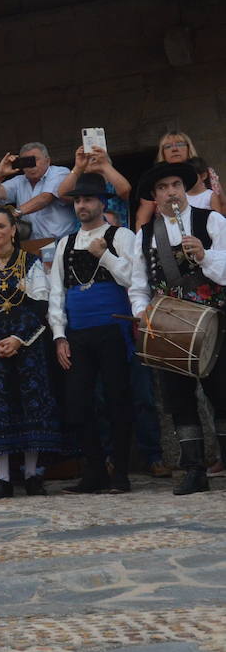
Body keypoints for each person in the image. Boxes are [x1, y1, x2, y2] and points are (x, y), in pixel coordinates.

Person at [128, 161, 226, 495]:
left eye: (175, 185)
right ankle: (194, 470)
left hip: (213, 322)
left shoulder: (210, 220)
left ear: (184, 189)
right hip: (168, 329)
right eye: (163, 188)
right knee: (179, 400)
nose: (171, 192)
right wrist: (141, 313)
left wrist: (205, 257)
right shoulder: (145, 236)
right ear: (154, 197)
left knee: (222, 394)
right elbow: (137, 284)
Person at [49, 173, 139, 494]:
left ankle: (121, 473)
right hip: (79, 334)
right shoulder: (66, 243)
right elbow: (56, 293)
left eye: (88, 199)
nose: (82, 205)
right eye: (77, 200)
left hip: (113, 329)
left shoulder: (121, 235)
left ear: (102, 202)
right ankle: (95, 469)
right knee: (78, 403)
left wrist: (105, 255)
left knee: (117, 400)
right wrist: (60, 335)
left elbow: (132, 278)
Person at [0, 207, 65, 499]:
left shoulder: (30, 263)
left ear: (13, 230)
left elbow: (38, 307)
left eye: (0, 226)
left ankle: (33, 475)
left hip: (28, 347)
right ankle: (4, 479)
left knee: (30, 407)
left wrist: (16, 338)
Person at [0, 142, 78, 246]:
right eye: (26, 161)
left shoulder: (59, 172)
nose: (31, 166)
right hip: (33, 245)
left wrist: (14, 213)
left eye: (35, 160)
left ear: (48, 160)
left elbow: (45, 198)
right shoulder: (19, 181)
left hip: (63, 242)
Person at [134, 132, 226, 228]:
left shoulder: (207, 172)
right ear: (162, 152)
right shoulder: (155, 178)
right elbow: (143, 217)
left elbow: (223, 204)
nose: (174, 149)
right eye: (168, 146)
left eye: (180, 144)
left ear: (188, 148)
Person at [57, 145, 133, 226]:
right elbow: (63, 194)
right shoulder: (81, 186)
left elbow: (125, 190)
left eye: (97, 157)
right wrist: (78, 167)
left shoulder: (113, 183)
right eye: (88, 158)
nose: (93, 159)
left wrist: (104, 165)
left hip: (114, 235)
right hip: (84, 235)